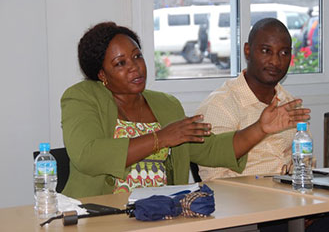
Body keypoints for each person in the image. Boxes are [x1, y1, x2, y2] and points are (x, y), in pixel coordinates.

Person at [60, 21, 310, 198]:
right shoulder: (81, 98)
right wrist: (161, 138)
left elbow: (210, 149)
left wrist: (260, 128)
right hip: (99, 215)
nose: (135, 68)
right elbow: (87, 155)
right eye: (121, 63)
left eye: (137, 57)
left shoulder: (165, 104)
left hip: (159, 214)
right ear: (102, 74)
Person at [196, 18, 308, 181]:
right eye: (266, 51)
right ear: (247, 51)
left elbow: (305, 162)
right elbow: (214, 180)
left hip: (290, 198)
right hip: (245, 203)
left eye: (284, 53)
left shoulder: (288, 103)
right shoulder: (220, 105)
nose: (275, 61)